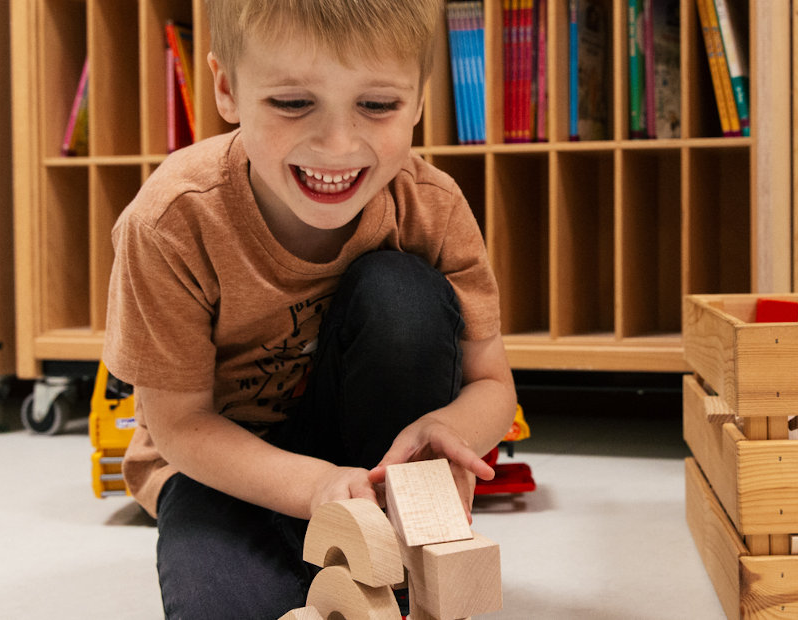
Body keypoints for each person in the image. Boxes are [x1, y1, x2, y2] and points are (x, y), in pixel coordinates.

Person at [102, 1, 516, 617]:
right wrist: (313, 488)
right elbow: (181, 426)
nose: (337, 144)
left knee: (401, 291)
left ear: (421, 99)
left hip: (364, 464)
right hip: (218, 468)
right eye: (293, 103)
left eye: (377, 105)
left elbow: (492, 384)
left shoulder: (433, 207)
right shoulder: (171, 221)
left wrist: (448, 429)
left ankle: (383, 548)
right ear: (227, 89)